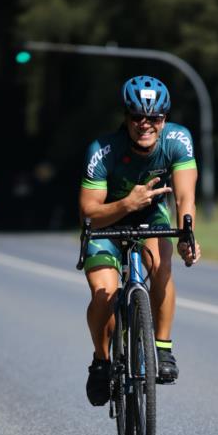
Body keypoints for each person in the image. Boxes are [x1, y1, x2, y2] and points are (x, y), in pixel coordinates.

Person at [79, 75, 201, 406]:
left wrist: (187, 233)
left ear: (165, 118)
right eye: (137, 117)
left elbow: (185, 195)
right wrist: (126, 204)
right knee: (103, 295)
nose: (145, 125)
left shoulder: (177, 139)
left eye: (155, 118)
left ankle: (162, 350)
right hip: (107, 221)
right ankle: (101, 361)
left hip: (150, 218)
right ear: (126, 116)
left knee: (161, 266)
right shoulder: (103, 149)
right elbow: (89, 212)